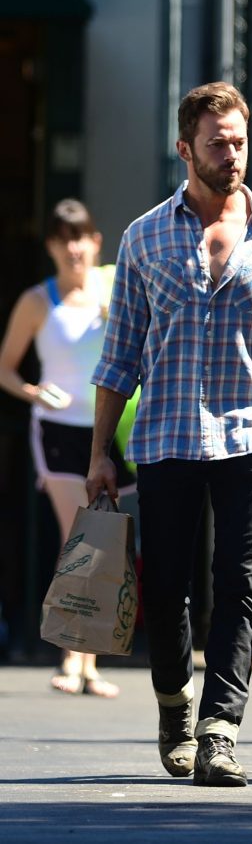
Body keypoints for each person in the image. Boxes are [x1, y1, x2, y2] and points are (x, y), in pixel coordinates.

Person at [85, 81, 252, 788]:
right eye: (216, 143)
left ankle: (220, 731)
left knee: (236, 585)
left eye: (239, 141)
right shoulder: (145, 237)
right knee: (167, 586)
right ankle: (175, 709)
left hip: (251, 436)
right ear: (184, 149)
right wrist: (100, 454)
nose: (231, 155)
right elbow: (118, 359)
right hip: (166, 436)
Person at [0, 198, 135, 698]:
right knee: (75, 540)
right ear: (51, 247)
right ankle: (69, 654)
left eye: (81, 237)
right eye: (63, 238)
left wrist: (115, 312)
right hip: (57, 429)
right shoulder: (37, 300)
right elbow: (6, 369)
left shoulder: (115, 289)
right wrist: (34, 392)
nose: (73, 247)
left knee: (103, 543)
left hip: (109, 430)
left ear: (96, 243)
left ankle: (90, 661)